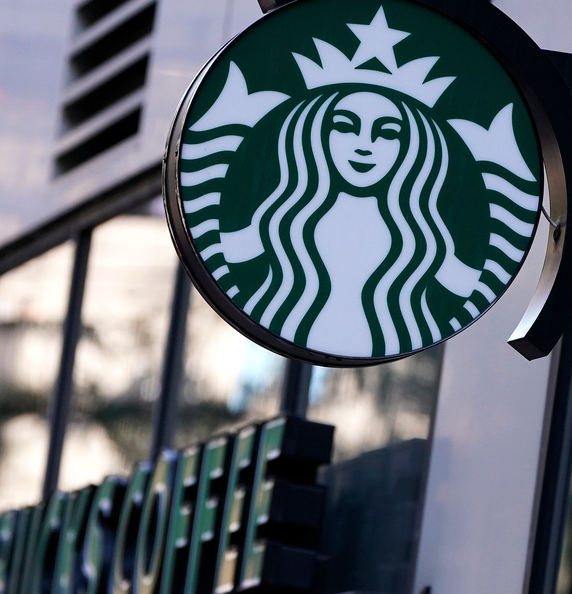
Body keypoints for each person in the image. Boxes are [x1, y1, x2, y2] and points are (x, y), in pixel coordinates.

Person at [179, 7, 540, 359]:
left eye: (386, 133)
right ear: (314, 134)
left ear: (412, 148)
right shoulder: (276, 221)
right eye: (345, 126)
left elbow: (469, 284)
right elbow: (222, 247)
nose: (364, 145)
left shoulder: (427, 239)